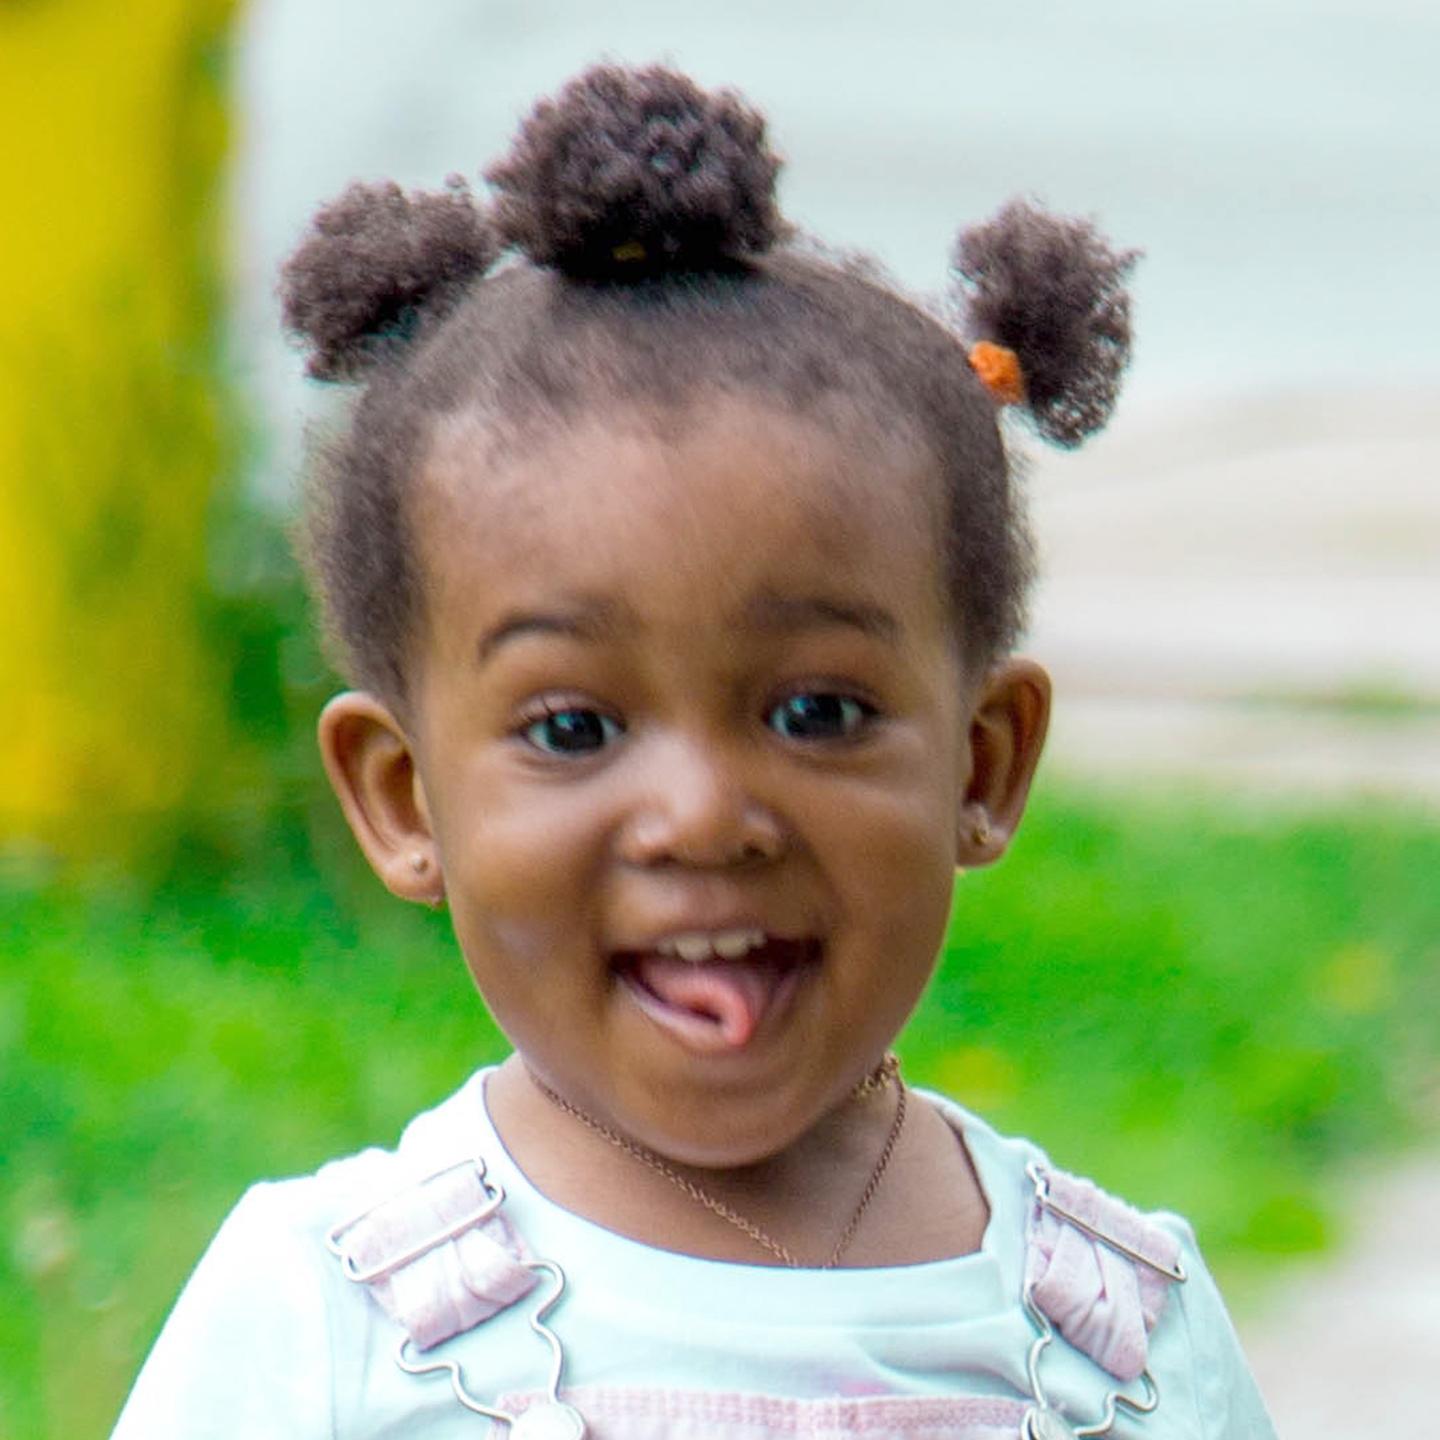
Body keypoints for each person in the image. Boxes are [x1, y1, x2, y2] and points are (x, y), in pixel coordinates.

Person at [113, 62, 1275, 1439]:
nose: (705, 816)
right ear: (403, 797)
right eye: (573, 728)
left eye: (816, 713)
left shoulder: (1123, 1348)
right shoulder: (326, 1328)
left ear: (982, 764)